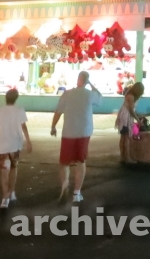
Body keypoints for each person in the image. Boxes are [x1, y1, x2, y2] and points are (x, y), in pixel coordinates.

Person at [51, 71, 102, 203]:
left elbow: (58, 111)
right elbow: (100, 97)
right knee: (80, 162)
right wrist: (91, 84)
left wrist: (53, 126)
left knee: (64, 162)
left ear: (78, 79)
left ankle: (65, 182)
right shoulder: (89, 95)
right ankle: (76, 193)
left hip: (68, 131)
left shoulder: (67, 94)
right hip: (84, 132)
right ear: (86, 81)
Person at [0, 88, 31, 210]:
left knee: (4, 171)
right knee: (14, 168)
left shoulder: (0, 110)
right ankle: (12, 192)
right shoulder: (20, 110)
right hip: (15, 144)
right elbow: (24, 127)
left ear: (6, 97)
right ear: (16, 98)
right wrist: (29, 141)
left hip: (2, 144)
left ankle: (5, 198)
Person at [116, 82, 145, 165]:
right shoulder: (131, 97)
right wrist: (138, 120)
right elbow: (131, 110)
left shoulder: (129, 94)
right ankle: (128, 158)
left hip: (123, 116)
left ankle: (123, 157)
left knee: (123, 137)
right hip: (125, 117)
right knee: (127, 138)